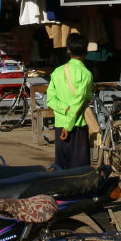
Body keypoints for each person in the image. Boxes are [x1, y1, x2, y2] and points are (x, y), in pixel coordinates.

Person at [44, 32, 93, 170]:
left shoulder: (57, 72)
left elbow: (50, 100)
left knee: (61, 168)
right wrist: (69, 125)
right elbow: (80, 101)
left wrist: (64, 109)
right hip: (77, 125)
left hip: (60, 124)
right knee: (79, 171)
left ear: (68, 50)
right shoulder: (86, 74)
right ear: (86, 51)